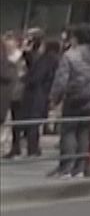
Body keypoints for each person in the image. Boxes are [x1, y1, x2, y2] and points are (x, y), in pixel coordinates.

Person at [49, 27, 90, 177]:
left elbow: (61, 81)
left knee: (68, 131)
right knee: (84, 132)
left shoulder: (70, 55)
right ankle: (79, 168)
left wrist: (54, 98)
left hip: (73, 97)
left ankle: (66, 167)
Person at [13, 30, 56, 158]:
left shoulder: (47, 57)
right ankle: (28, 148)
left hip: (37, 94)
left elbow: (37, 76)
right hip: (31, 93)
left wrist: (25, 78)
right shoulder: (34, 56)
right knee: (25, 121)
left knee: (33, 122)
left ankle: (33, 149)